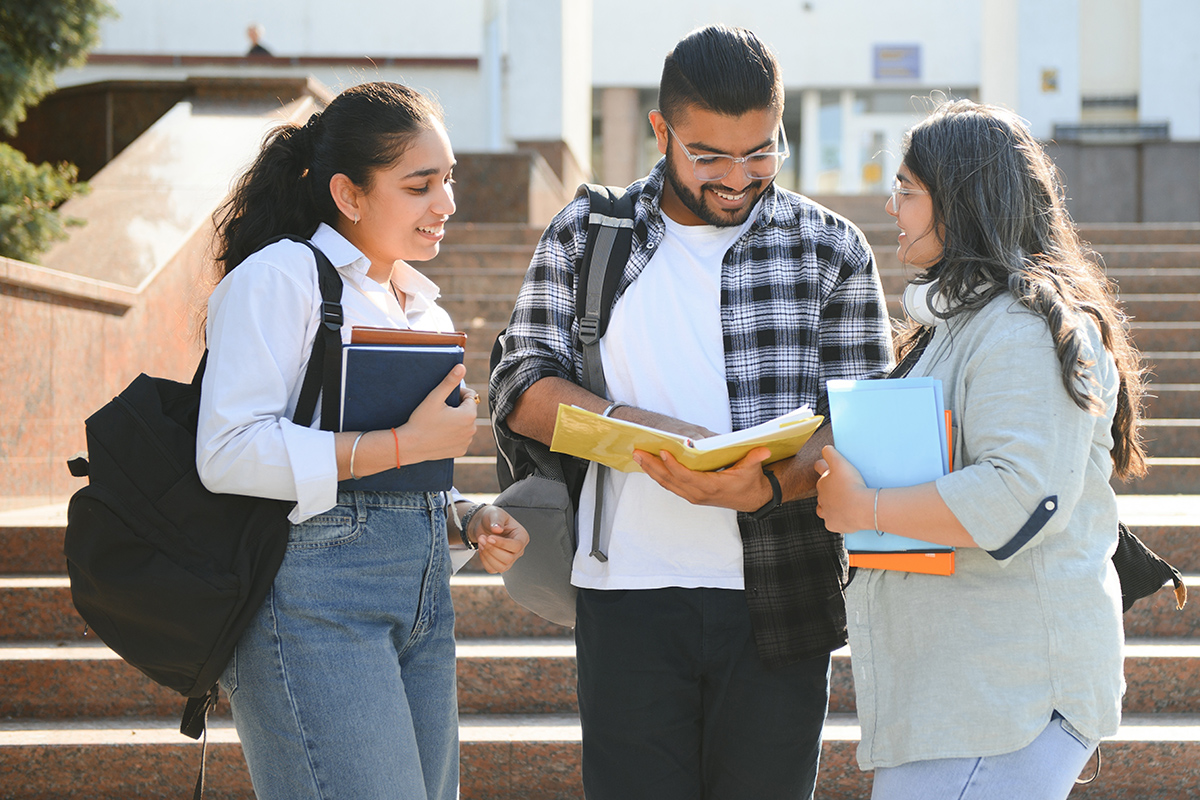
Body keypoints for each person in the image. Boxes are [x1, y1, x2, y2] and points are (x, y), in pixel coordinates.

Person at [490, 24, 892, 800]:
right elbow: (521, 384)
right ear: (660, 129)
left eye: (762, 150)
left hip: (782, 599)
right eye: (708, 155)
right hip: (625, 596)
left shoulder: (831, 248)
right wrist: (654, 433)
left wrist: (768, 488)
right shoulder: (589, 232)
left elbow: (864, 423)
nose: (738, 178)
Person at [195, 81, 529, 800]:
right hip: (312, 598)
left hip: (422, 596)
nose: (447, 204)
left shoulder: (421, 305)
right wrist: (402, 445)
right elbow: (225, 453)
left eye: (448, 181)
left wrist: (463, 516)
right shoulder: (280, 279)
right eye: (420, 186)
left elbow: (400, 475)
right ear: (348, 194)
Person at [814, 99, 1146, 799]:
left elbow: (1015, 496)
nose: (892, 203)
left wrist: (864, 506)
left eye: (907, 188)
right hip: (967, 694)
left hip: (1003, 698)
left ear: (960, 200)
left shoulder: (1021, 327)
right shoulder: (968, 323)